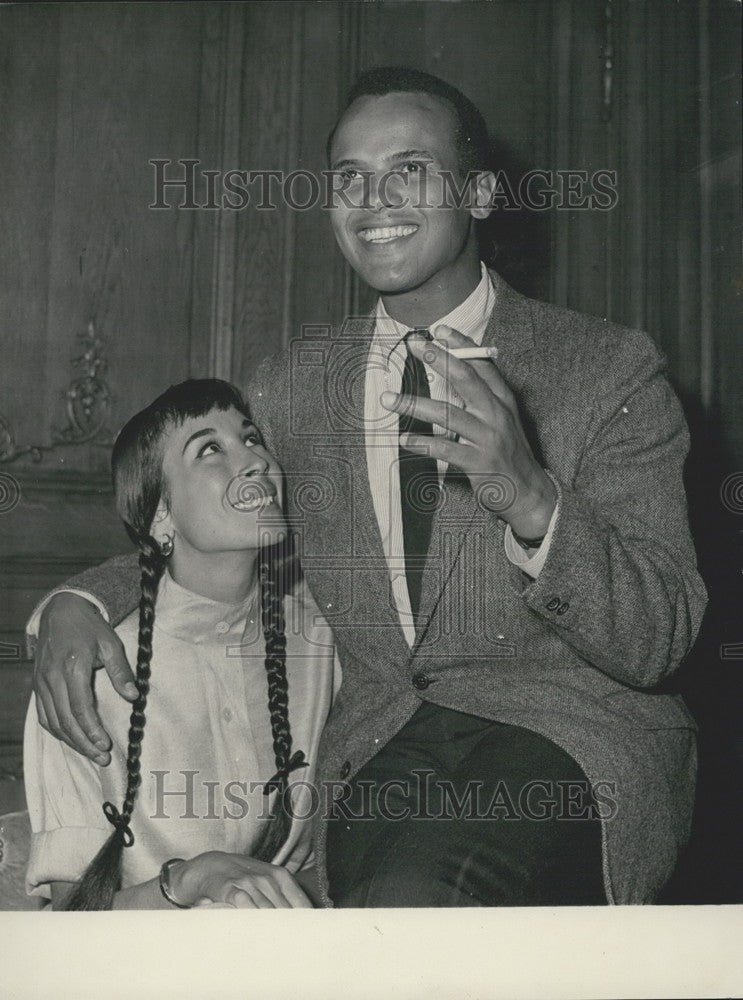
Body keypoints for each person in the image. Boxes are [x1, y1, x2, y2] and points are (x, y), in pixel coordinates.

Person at [29, 67, 706, 906]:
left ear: (480, 193)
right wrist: (74, 603)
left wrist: (531, 496)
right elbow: (209, 520)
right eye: (349, 177)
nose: (373, 200)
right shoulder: (292, 387)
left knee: (415, 899)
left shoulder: (606, 369)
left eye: (408, 170)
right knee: (361, 913)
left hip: (568, 738)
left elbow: (660, 636)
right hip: (381, 749)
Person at [24, 379, 336, 909]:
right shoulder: (84, 673)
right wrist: (189, 880)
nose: (256, 461)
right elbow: (72, 917)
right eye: (210, 448)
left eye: (252, 438)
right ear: (160, 516)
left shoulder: (321, 643)